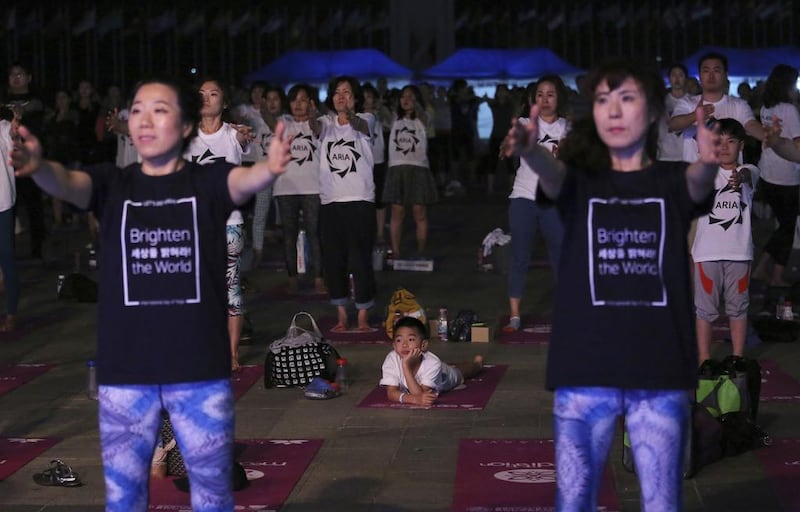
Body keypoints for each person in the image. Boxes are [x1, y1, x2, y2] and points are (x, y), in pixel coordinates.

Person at [11, 76, 291, 512]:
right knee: (124, 499)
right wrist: (38, 167)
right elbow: (69, 182)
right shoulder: (113, 185)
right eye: (137, 109)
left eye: (159, 110)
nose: (143, 119)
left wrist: (269, 168)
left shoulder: (207, 182)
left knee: (213, 497)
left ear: (184, 128)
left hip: (198, 372)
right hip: (126, 375)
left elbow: (240, 182)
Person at [504, 59, 721, 511]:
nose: (614, 110)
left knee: (662, 503)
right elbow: (553, 176)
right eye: (603, 100)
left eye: (627, 98)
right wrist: (531, 151)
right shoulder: (581, 180)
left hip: (659, 369)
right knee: (574, 501)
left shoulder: (669, 180)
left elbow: (698, 188)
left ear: (655, 112)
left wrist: (705, 160)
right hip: (585, 367)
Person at [184, 77, 252, 371]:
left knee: (230, 288)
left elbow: (245, 140)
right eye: (202, 94)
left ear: (224, 103)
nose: (207, 98)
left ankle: (232, 353)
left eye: (214, 93)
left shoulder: (233, 134)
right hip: (195, 224)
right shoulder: (185, 136)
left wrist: (244, 135)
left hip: (229, 223)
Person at [503, 75, 569, 332]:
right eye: (540, 94)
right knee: (519, 256)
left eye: (550, 94)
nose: (545, 99)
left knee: (561, 257)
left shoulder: (568, 128)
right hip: (523, 198)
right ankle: (515, 315)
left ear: (559, 98)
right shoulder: (523, 123)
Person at [691, 118, 759, 365]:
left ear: (741, 145)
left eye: (731, 141)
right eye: (719, 142)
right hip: (706, 253)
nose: (725, 147)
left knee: (738, 308)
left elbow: (747, 176)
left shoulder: (749, 171)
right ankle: (704, 359)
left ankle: (738, 358)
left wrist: (739, 180)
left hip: (739, 254)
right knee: (705, 310)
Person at [318, 76, 376, 331]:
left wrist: (348, 113)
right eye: (337, 93)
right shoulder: (324, 123)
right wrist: (311, 114)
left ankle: (363, 313)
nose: (341, 96)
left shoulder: (368, 118)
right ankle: (342, 313)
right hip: (331, 201)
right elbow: (313, 127)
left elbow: (361, 125)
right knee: (334, 259)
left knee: (360, 259)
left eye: (347, 92)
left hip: (360, 199)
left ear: (356, 97)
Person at [272, 83, 325, 294]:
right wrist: (266, 108)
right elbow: (268, 121)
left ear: (311, 102)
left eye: (303, 99)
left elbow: (316, 127)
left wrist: (312, 114)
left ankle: (319, 277)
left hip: (313, 186)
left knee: (314, 232)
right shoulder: (283, 122)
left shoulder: (320, 122)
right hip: (286, 187)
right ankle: (292, 277)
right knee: (289, 234)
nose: (298, 104)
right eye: (294, 99)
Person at [751, 64, 800, 287]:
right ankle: (776, 275)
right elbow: (798, 145)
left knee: (783, 225)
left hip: (768, 171)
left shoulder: (766, 107)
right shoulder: (789, 110)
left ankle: (761, 268)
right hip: (785, 175)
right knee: (787, 227)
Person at [669, 52, 765, 164]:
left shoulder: (739, 105)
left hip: (730, 178)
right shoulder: (687, 103)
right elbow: (673, 125)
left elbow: (751, 124)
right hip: (696, 175)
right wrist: (695, 115)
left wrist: (768, 136)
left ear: (725, 75)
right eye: (706, 71)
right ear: (699, 76)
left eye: (716, 70)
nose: (711, 75)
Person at [233, 82, 284, 268]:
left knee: (286, 216)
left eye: (275, 99)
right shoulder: (254, 121)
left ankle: (293, 254)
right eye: (267, 99)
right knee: (260, 214)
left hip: (285, 176)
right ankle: (257, 252)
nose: (271, 103)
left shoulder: (287, 120)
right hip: (263, 173)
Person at [383, 84, 438, 258]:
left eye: (410, 97)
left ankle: (421, 250)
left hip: (418, 168)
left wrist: (416, 103)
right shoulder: (394, 118)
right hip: (397, 168)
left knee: (419, 212)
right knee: (397, 212)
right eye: (403, 97)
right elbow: (380, 112)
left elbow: (423, 115)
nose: (406, 100)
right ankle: (396, 251)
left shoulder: (424, 117)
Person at [379, 316, 483, 407]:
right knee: (450, 366)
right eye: (399, 340)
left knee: (460, 373)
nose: (404, 344)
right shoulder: (391, 358)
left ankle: (477, 364)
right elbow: (391, 393)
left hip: (444, 376)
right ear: (393, 346)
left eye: (411, 340)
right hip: (431, 371)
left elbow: (419, 394)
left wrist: (405, 366)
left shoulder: (432, 363)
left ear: (423, 345)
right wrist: (414, 400)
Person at [5, 63, 46, 259]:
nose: (16, 78)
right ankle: (8, 248)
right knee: (7, 206)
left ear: (28, 77)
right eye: (12, 75)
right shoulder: (3, 102)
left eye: (20, 74)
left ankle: (38, 249)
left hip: (29, 161)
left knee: (33, 206)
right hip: (6, 164)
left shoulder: (36, 101)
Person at [0, 109, 19, 331]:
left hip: (2, 205)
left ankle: (11, 313)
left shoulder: (3, 127)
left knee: (7, 256)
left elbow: (15, 145)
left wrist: (15, 134)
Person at [657, 63, 689, 162]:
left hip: (687, 156)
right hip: (665, 155)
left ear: (686, 78)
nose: (677, 79)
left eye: (680, 75)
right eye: (673, 75)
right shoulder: (660, 102)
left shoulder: (693, 101)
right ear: (669, 78)